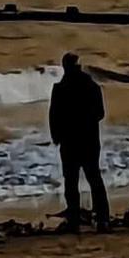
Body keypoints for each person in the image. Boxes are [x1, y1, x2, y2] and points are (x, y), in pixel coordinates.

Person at [47, 52, 108, 227]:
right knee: (94, 178)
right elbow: (100, 113)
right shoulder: (92, 87)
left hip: (69, 140)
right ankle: (102, 217)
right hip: (89, 139)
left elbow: (54, 115)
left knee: (71, 180)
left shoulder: (60, 89)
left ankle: (74, 217)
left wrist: (56, 135)